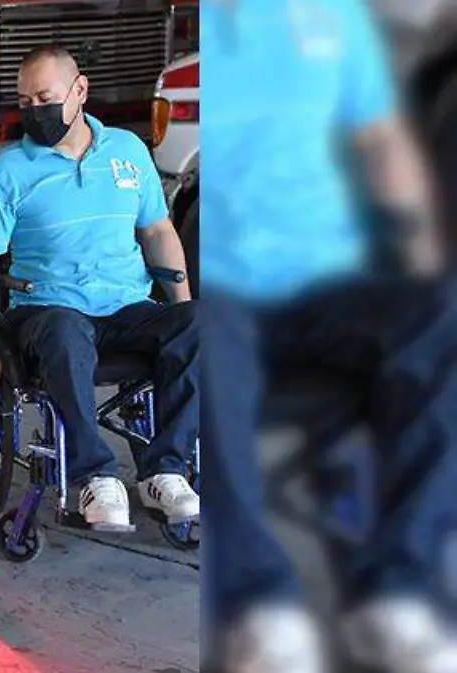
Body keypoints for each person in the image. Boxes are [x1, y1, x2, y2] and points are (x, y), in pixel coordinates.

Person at [199, 1, 457, 671]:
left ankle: (397, 588)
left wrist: (425, 266)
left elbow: (381, 139)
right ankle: (258, 603)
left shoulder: (333, 21)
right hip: (225, 291)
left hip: (327, 288)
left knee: (443, 316)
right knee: (207, 332)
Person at [0, 45, 200, 532]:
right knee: (65, 330)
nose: (35, 110)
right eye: (24, 101)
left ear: (80, 91)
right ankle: (96, 476)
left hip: (127, 307)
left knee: (204, 325)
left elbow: (157, 233)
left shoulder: (128, 153)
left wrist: (183, 321)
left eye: (45, 97)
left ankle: (165, 471)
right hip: (46, 309)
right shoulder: (7, 173)